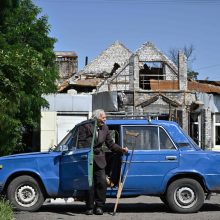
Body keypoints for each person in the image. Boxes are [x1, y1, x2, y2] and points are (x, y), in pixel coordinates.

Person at [83, 109, 128, 215]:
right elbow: (81, 143)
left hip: (99, 158)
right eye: (103, 118)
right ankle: (89, 207)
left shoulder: (105, 128)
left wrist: (121, 149)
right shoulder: (86, 126)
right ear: (96, 118)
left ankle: (99, 206)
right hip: (86, 159)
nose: (105, 119)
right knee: (89, 184)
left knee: (102, 182)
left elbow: (111, 144)